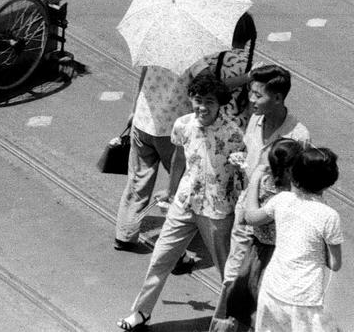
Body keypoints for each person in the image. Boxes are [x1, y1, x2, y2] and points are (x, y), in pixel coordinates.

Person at [116, 74, 245, 331]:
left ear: (220, 104)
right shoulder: (183, 125)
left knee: (227, 270)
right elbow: (178, 160)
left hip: (217, 210)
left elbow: (242, 174)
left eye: (209, 101)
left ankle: (235, 319)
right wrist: (170, 190)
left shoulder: (233, 134)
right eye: (198, 100)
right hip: (184, 203)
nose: (202, 107)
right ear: (190, 100)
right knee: (160, 259)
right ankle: (141, 312)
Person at [211, 64, 310, 327]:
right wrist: (243, 161)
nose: (251, 100)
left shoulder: (297, 137)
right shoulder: (255, 119)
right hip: (246, 214)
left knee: (262, 286)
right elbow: (252, 153)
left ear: (277, 98)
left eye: (258, 95)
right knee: (233, 277)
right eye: (251, 93)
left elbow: (298, 188)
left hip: (274, 229)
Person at [244, 146, 343, 332]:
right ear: (329, 182)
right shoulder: (329, 216)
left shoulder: (281, 200)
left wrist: (255, 178)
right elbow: (335, 263)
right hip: (305, 299)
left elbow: (251, 217)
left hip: (272, 289)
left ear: (294, 177)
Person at [114, 58, 209, 251]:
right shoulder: (193, 56)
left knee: (138, 181)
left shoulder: (154, 50)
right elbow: (210, 83)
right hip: (171, 130)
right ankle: (179, 236)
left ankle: (124, 234)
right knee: (181, 182)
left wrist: (133, 110)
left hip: (143, 122)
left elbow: (142, 80)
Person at [222, 138, 303, 330]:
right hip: (276, 254)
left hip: (259, 251)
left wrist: (255, 179)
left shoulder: (267, 186)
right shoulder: (295, 192)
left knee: (248, 300)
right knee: (262, 305)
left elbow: (247, 216)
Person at [201, 12, 258, 130]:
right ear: (249, 35)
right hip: (236, 125)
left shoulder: (210, 58)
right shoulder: (248, 65)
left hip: (207, 118)